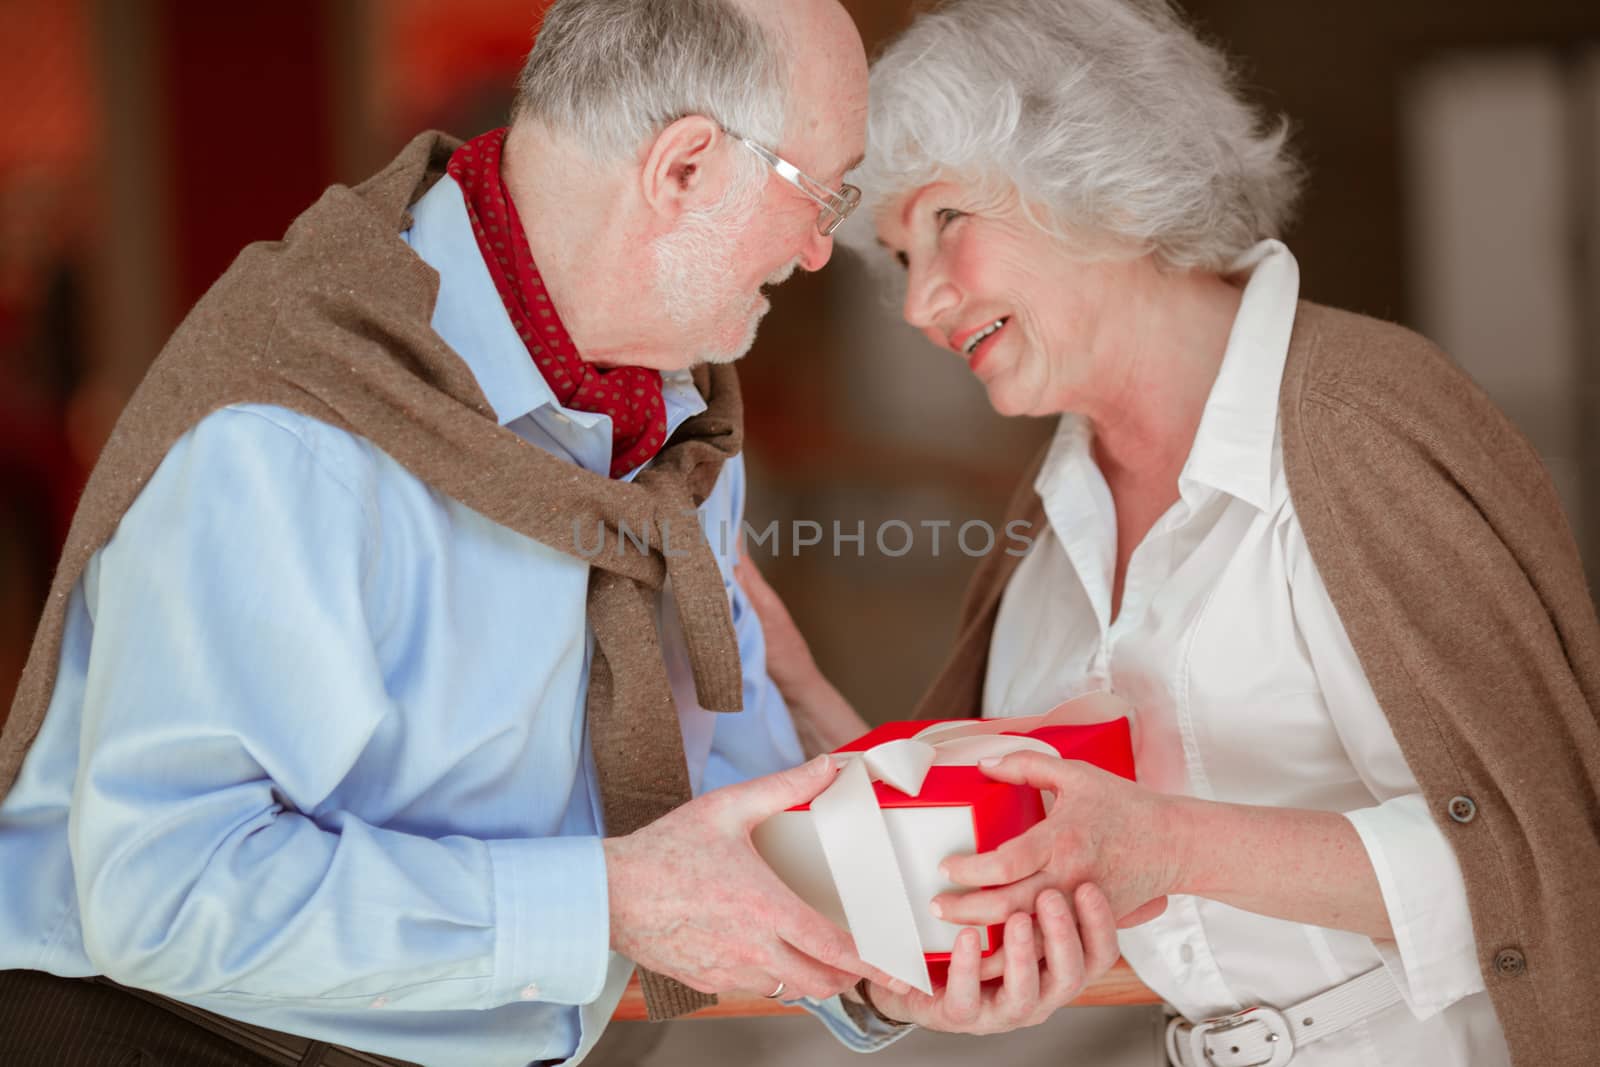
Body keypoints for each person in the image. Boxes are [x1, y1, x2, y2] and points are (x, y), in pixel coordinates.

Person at [0, 1, 1116, 1064]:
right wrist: (616, 897)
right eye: (819, 197)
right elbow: (162, 892)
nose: (821, 251)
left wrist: (882, 956)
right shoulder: (293, 435)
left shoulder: (668, 424)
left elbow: (729, 810)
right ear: (683, 168)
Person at [743, 0, 1600, 1064]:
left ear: (1090, 171)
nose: (920, 304)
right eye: (900, 257)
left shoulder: (1363, 419)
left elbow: (1546, 852)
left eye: (947, 221)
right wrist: (800, 695)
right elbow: (1017, 836)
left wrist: (1169, 845)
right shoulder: (1054, 507)